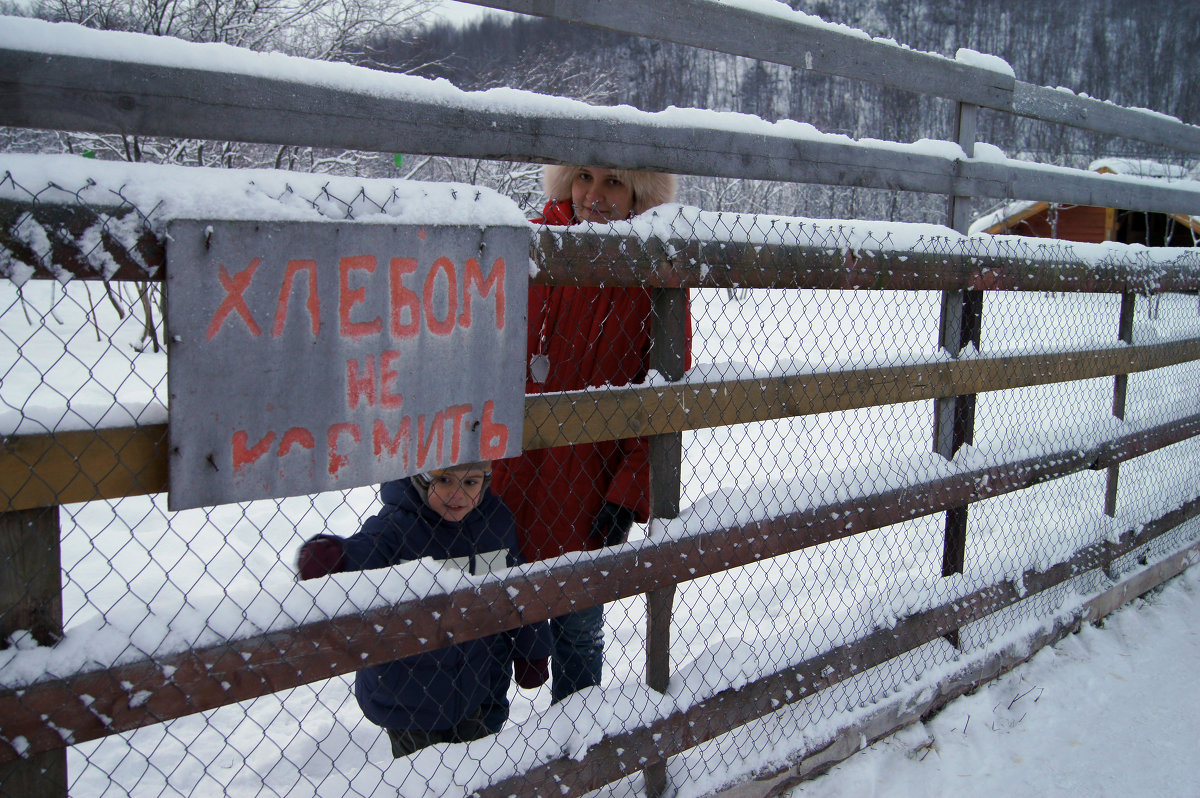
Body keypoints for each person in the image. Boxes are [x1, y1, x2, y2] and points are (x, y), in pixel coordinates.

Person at [491, 165, 685, 703]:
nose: (594, 195)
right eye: (583, 177)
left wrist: (627, 494)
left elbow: (662, 393)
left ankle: (578, 752)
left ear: (639, 194)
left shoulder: (653, 267)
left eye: (614, 183)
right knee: (483, 626)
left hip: (585, 488)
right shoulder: (528, 242)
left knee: (577, 628)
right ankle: (481, 764)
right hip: (498, 479)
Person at [295, 462, 551, 757]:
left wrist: (531, 651)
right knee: (424, 779)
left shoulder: (495, 524)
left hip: (473, 685)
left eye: (470, 483)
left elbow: (517, 592)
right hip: (409, 697)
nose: (457, 494)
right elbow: (365, 551)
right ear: (420, 480)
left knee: (478, 768)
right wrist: (334, 557)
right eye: (444, 480)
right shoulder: (398, 526)